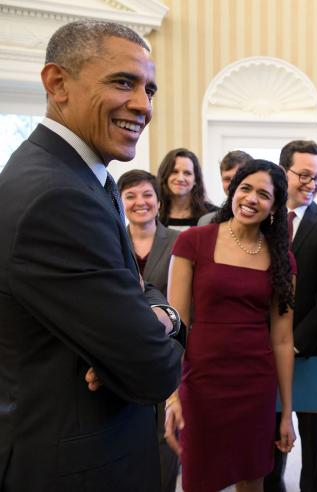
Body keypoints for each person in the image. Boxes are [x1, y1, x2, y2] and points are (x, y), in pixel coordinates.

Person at [0, 20, 183, 491]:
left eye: (150, 89)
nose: (143, 105)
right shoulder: (56, 194)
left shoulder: (80, 177)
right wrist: (164, 323)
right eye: (123, 82)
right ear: (58, 83)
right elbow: (152, 366)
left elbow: (138, 313)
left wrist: (154, 317)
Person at [165, 160, 297, 492]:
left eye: (264, 194)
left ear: (275, 207)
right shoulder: (193, 242)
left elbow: (282, 339)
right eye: (245, 188)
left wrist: (285, 413)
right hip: (201, 382)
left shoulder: (282, 258)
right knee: (199, 478)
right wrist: (171, 396)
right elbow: (175, 326)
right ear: (232, 192)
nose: (251, 199)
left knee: (252, 476)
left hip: (255, 384)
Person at [266, 140, 317, 492]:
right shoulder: (263, 220)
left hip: (312, 350)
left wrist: (296, 343)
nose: (312, 184)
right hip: (263, 353)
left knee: (314, 446)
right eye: (305, 175)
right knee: (268, 445)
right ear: (283, 172)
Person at [117, 169, 181, 492]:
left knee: (167, 443)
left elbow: (186, 309)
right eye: (130, 196)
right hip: (123, 356)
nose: (140, 202)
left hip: (170, 354)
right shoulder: (109, 240)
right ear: (120, 201)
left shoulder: (180, 242)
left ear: (158, 201)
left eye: (147, 195)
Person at [156, 147, 218, 230]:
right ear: (165, 176)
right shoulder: (153, 214)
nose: (180, 178)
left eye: (187, 173)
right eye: (174, 172)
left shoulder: (213, 216)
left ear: (195, 179)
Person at [198, 149, 254, 226]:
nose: (232, 184)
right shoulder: (206, 222)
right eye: (227, 179)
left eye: (237, 177)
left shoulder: (262, 219)